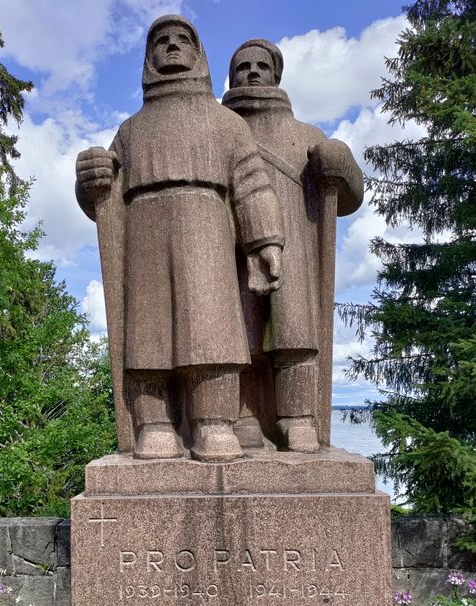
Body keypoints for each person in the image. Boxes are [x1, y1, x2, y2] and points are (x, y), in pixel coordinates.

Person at [75, 18, 284, 462]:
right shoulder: (130, 130)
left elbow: (252, 185)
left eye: (182, 40)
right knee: (148, 336)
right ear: (149, 58)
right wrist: (90, 176)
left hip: (207, 225)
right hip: (145, 232)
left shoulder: (226, 123)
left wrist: (265, 241)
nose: (171, 46)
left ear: (198, 53)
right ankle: (154, 424)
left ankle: (213, 424)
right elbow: (103, 194)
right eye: (161, 42)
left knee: (212, 331)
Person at [223, 39, 364, 451]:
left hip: (297, 249)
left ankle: (299, 419)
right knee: (241, 335)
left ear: (275, 75)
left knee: (294, 335)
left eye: (260, 66)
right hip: (230, 248)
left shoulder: (305, 134)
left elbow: (350, 195)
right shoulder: (219, 128)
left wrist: (338, 162)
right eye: (242, 66)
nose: (251, 72)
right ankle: (245, 417)